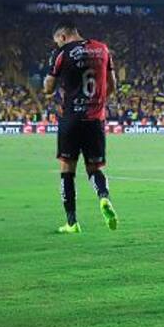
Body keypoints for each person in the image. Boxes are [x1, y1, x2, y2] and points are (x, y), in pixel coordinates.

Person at [43, 18, 118, 234]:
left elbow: (48, 87)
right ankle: (103, 198)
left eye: (57, 41)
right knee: (94, 168)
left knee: (67, 171)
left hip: (71, 119)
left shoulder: (62, 52)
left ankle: (72, 222)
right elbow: (112, 85)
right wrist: (96, 101)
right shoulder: (102, 49)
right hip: (95, 119)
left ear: (63, 36)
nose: (58, 45)